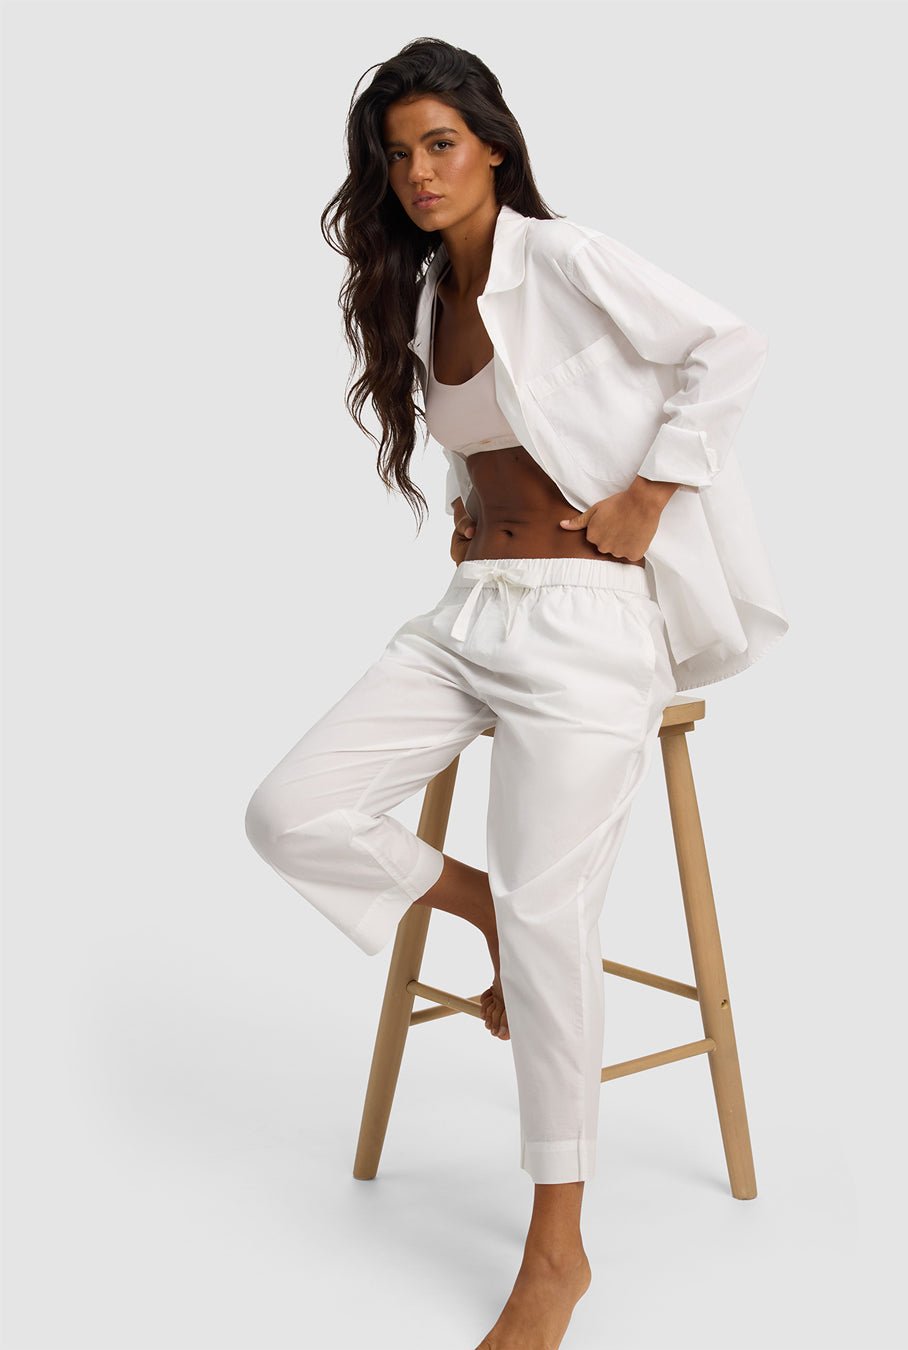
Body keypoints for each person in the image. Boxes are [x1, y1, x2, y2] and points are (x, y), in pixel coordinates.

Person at [244, 36, 788, 1350]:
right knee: (290, 809)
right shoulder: (424, 294)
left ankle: (556, 1252)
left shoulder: (565, 256)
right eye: (397, 155)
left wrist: (648, 493)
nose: (419, 173)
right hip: (472, 614)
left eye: (439, 144)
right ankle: (481, 904)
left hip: (591, 623)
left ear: (492, 143)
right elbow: (501, 433)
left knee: (555, 921)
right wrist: (468, 513)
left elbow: (727, 344)